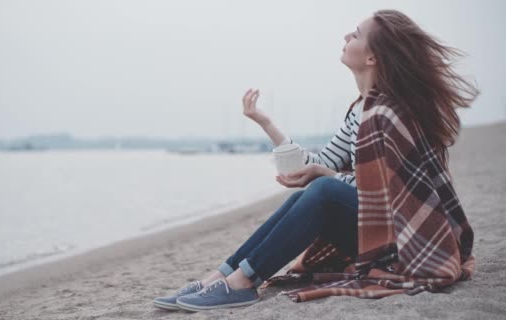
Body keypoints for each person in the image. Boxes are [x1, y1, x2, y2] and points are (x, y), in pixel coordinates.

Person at [153, 9, 478, 312]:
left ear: (371, 56)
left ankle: (243, 282)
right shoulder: (361, 112)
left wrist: (327, 178)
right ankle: (220, 277)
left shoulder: (390, 114)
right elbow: (317, 164)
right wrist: (266, 123)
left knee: (324, 191)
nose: (345, 38)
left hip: (405, 238)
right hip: (374, 227)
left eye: (355, 34)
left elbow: (394, 199)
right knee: (311, 192)